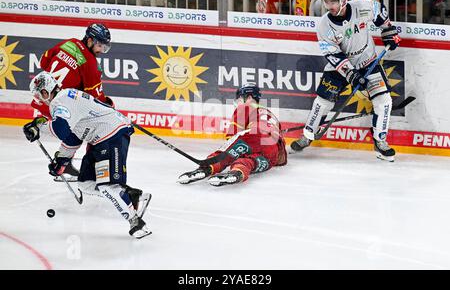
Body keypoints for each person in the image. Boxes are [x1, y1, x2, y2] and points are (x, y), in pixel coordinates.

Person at [23, 72, 152, 239]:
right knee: (86, 184)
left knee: (108, 186)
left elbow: (61, 129)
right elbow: (72, 137)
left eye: (39, 95)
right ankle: (131, 195)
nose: (40, 100)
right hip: (101, 139)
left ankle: (136, 222)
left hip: (111, 135)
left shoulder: (59, 101)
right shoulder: (66, 98)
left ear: (45, 91)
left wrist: (38, 127)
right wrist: (61, 162)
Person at [290, 0, 401, 162]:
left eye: (334, 2)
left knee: (384, 100)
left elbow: (380, 11)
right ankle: (307, 136)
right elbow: (333, 54)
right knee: (323, 101)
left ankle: (380, 141)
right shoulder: (324, 26)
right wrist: (351, 74)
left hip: (367, 60)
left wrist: (389, 30)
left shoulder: (362, 7)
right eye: (327, 2)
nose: (330, 7)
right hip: (339, 67)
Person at [33, 23, 114, 179]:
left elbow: (44, 61)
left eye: (105, 47)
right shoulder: (90, 63)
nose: (101, 51)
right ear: (90, 40)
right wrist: (110, 106)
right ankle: (89, 168)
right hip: (61, 108)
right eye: (99, 46)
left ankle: (64, 162)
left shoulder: (68, 43)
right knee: (88, 127)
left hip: (42, 100)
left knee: (74, 128)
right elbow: (96, 100)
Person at [177, 83, 287, 186]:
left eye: (239, 98)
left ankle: (207, 168)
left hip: (253, 136)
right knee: (249, 162)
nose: (238, 102)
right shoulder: (271, 114)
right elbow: (281, 154)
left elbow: (233, 137)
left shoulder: (246, 107)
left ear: (248, 97)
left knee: (226, 154)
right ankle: (238, 172)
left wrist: (220, 155)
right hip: (274, 152)